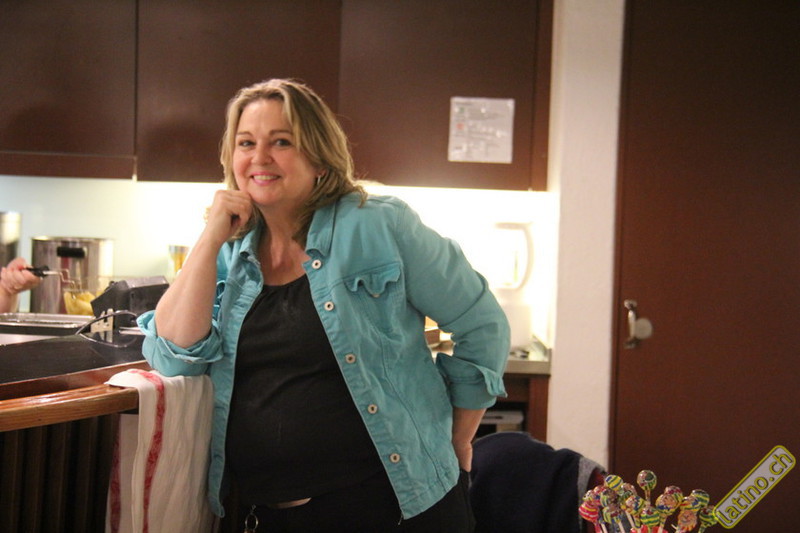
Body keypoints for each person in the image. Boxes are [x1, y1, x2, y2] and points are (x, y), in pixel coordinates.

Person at [137, 78, 510, 532]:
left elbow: (484, 325)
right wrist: (211, 235)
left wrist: (459, 436)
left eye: (281, 142)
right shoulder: (232, 252)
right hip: (267, 513)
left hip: (394, 509)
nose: (260, 157)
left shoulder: (379, 225)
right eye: (246, 143)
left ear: (318, 156)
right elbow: (173, 356)